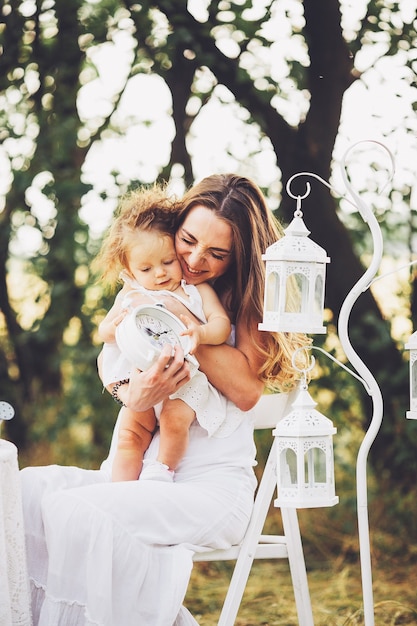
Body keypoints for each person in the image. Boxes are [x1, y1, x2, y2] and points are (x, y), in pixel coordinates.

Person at [20, 173, 309, 626]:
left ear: (238, 255)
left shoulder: (234, 302)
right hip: (138, 475)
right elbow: (113, 361)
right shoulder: (150, 282)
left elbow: (248, 391)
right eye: (188, 241)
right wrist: (132, 392)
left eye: (216, 253)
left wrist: (180, 319)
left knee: (74, 511)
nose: (194, 260)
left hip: (209, 487)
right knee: (22, 493)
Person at [95, 185, 235, 483]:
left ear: (174, 251)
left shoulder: (195, 290)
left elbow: (221, 324)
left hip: (183, 378)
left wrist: (201, 333)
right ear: (130, 269)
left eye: (167, 262)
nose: (159, 274)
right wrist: (113, 326)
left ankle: (161, 473)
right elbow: (104, 333)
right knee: (130, 434)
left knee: (174, 421)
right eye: (146, 268)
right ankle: (121, 489)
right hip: (139, 378)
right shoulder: (131, 292)